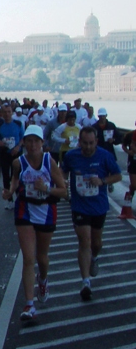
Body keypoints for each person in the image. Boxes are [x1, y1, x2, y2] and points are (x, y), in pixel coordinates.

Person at [3, 125, 67, 321]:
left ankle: (44, 279)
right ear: (24, 142)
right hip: (25, 211)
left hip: (46, 211)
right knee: (28, 258)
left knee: (42, 258)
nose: (32, 145)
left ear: (42, 143)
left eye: (36, 141)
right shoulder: (18, 162)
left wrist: (46, 188)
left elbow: (63, 191)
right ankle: (29, 304)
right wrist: (10, 191)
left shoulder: (50, 162)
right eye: (28, 141)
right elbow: (15, 180)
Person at [62, 126, 122, 301]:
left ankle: (94, 258)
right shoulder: (71, 156)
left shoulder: (104, 156)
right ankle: (85, 282)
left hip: (98, 206)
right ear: (79, 142)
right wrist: (63, 180)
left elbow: (117, 175)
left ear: (96, 141)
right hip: (79, 206)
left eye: (91, 143)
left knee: (96, 243)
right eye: (84, 143)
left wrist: (102, 181)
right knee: (84, 241)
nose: (88, 147)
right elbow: (63, 170)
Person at [0, 104, 24, 208]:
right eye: (5, 112)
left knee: (17, 176)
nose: (7, 114)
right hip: (4, 153)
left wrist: (18, 147)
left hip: (16, 153)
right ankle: (9, 200)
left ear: (12, 113)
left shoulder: (18, 124)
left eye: (9, 112)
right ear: (1, 114)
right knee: (6, 177)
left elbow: (23, 138)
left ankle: (19, 198)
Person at [121, 121, 136, 201]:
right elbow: (124, 146)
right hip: (133, 161)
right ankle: (131, 191)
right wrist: (128, 151)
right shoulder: (130, 135)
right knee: (134, 185)